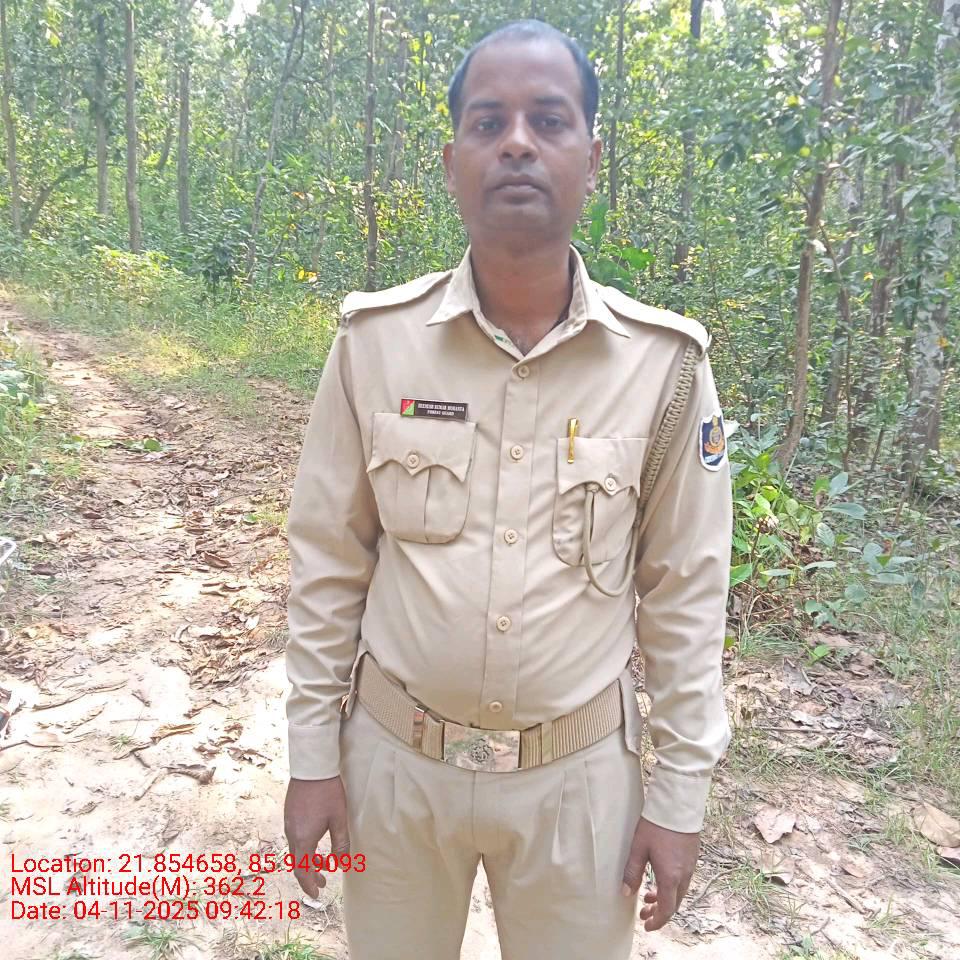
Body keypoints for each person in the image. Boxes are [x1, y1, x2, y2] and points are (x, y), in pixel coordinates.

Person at [283, 19, 732, 960]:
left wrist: (679, 796)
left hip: (578, 785)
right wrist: (313, 756)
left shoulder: (665, 368)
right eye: (488, 123)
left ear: (592, 157)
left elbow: (686, 595)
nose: (518, 143)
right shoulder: (375, 344)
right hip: (394, 772)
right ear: (453, 162)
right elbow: (328, 560)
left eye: (549, 120)